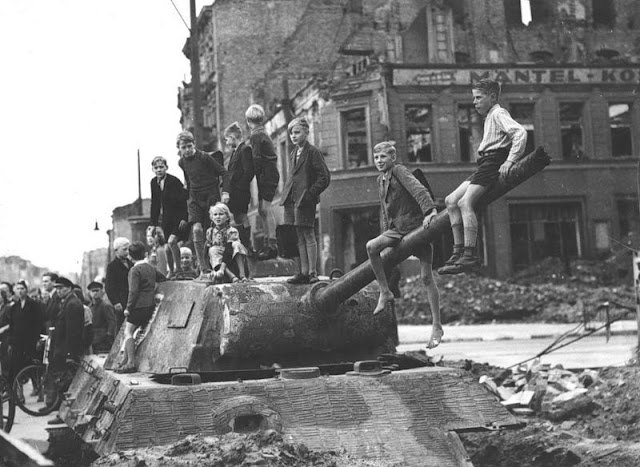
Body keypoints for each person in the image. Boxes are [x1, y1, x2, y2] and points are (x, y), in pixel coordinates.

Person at [438, 79, 527, 275]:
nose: (475, 102)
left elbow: (520, 132)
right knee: (450, 200)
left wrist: (510, 161)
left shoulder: (498, 113)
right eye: (474, 98)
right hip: (484, 163)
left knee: (465, 203)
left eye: (479, 97)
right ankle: (458, 251)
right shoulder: (489, 117)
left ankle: (470, 254)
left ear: (493, 97)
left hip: (493, 162)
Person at [366, 141, 443, 348]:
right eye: (376, 158)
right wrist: (385, 234)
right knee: (372, 247)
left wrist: (430, 212)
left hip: (415, 226)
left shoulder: (399, 170)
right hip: (396, 229)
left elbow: (419, 190)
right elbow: (384, 209)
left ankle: (437, 326)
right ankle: (385, 291)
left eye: (383, 157)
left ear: (392, 158)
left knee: (426, 277)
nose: (379, 161)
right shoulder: (380, 179)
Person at [281, 117, 330, 284]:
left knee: (308, 234)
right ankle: (302, 272)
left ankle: (312, 272)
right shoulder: (293, 153)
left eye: (297, 132)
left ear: (306, 132)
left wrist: (310, 195)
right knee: (298, 236)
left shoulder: (313, 152)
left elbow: (324, 177)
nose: (293, 136)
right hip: (293, 200)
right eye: (291, 133)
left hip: (305, 200)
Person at [177, 130, 228, 278]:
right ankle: (203, 269)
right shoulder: (182, 162)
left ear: (194, 144)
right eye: (183, 147)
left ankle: (216, 266)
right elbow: (188, 180)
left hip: (211, 196)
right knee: (197, 230)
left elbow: (223, 172)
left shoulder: (204, 157)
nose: (187, 150)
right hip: (195, 198)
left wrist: (225, 192)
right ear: (179, 149)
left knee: (211, 232)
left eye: (189, 146)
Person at [116, 241, 166, 373]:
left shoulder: (134, 270)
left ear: (130, 257)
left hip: (138, 307)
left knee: (128, 332)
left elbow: (133, 291)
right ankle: (125, 361)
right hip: (149, 306)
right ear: (145, 254)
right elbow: (163, 278)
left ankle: (131, 362)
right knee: (133, 332)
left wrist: (128, 308)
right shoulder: (150, 268)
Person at [46, 276, 85, 424]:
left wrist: (70, 354)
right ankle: (65, 415)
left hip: (66, 352)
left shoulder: (73, 304)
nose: (59, 291)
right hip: (62, 351)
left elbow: (73, 333)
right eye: (57, 288)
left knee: (66, 385)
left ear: (69, 288)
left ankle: (64, 416)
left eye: (61, 288)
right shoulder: (67, 302)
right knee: (64, 384)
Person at [246, 104, 280, 260]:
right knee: (261, 210)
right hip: (267, 174)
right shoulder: (262, 133)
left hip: (266, 175)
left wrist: (246, 175)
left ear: (248, 121)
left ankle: (272, 245)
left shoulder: (255, 136)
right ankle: (268, 242)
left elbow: (256, 159)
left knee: (266, 209)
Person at [149, 156, 189, 276]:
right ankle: (171, 272)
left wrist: (184, 218)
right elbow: (155, 204)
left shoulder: (174, 181)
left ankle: (179, 271)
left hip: (178, 218)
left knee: (172, 242)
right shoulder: (153, 182)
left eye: (161, 167)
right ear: (153, 169)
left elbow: (183, 200)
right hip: (166, 219)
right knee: (167, 248)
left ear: (166, 168)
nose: (159, 170)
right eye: (156, 168)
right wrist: (154, 224)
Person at [222, 122, 255, 254]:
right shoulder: (235, 152)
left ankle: (248, 244)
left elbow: (248, 172)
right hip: (234, 192)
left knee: (242, 216)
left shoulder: (244, 149)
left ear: (233, 136)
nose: (227, 142)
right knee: (237, 217)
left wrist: (240, 187)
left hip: (240, 191)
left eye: (227, 139)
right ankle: (244, 244)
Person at [5, 280, 42, 382]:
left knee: (32, 367)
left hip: (30, 341)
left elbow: (38, 323)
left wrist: (38, 339)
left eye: (22, 289)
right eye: (18, 289)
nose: (20, 291)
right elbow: (12, 326)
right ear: (15, 291)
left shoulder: (34, 304)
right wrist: (10, 342)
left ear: (26, 290)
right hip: (17, 342)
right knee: (16, 368)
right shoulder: (14, 307)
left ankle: (38, 388)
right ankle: (18, 394)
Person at [205, 203, 249, 283]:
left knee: (236, 244)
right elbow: (207, 249)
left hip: (231, 257)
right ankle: (231, 276)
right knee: (212, 249)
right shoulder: (210, 232)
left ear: (227, 217)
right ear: (211, 218)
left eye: (221, 214)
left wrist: (222, 268)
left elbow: (229, 249)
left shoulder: (232, 231)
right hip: (218, 261)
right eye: (215, 214)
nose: (218, 217)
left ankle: (242, 275)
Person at [105, 237, 133, 329]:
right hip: (121, 304)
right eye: (124, 249)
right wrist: (115, 302)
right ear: (116, 250)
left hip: (132, 301)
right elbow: (109, 287)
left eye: (128, 249)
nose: (127, 252)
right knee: (121, 328)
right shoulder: (112, 266)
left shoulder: (131, 264)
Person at [87, 281, 116, 353]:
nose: (95, 293)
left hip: (103, 340)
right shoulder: (89, 307)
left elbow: (112, 322)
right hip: (92, 339)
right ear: (89, 293)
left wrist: (109, 336)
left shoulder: (106, 306)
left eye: (97, 290)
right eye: (92, 291)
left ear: (101, 292)